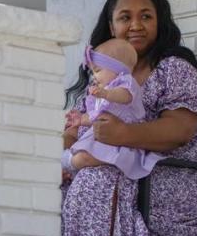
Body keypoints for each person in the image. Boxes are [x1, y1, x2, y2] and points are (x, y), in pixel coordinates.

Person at [59, 0, 197, 236]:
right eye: (125, 17)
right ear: (111, 26)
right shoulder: (106, 75)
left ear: (159, 23)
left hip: (180, 182)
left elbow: (179, 130)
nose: (136, 25)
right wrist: (62, 158)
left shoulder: (173, 69)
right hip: (131, 174)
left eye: (146, 17)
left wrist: (122, 134)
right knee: (50, 188)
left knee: (97, 180)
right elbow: (79, 127)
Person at [63, 38, 156, 181]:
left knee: (84, 158)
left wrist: (106, 94)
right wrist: (80, 120)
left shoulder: (126, 83)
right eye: (93, 72)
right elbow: (96, 117)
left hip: (122, 143)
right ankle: (70, 165)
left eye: (98, 70)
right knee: (84, 157)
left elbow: (125, 96)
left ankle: (68, 161)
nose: (94, 76)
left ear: (117, 69)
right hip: (106, 141)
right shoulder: (104, 92)